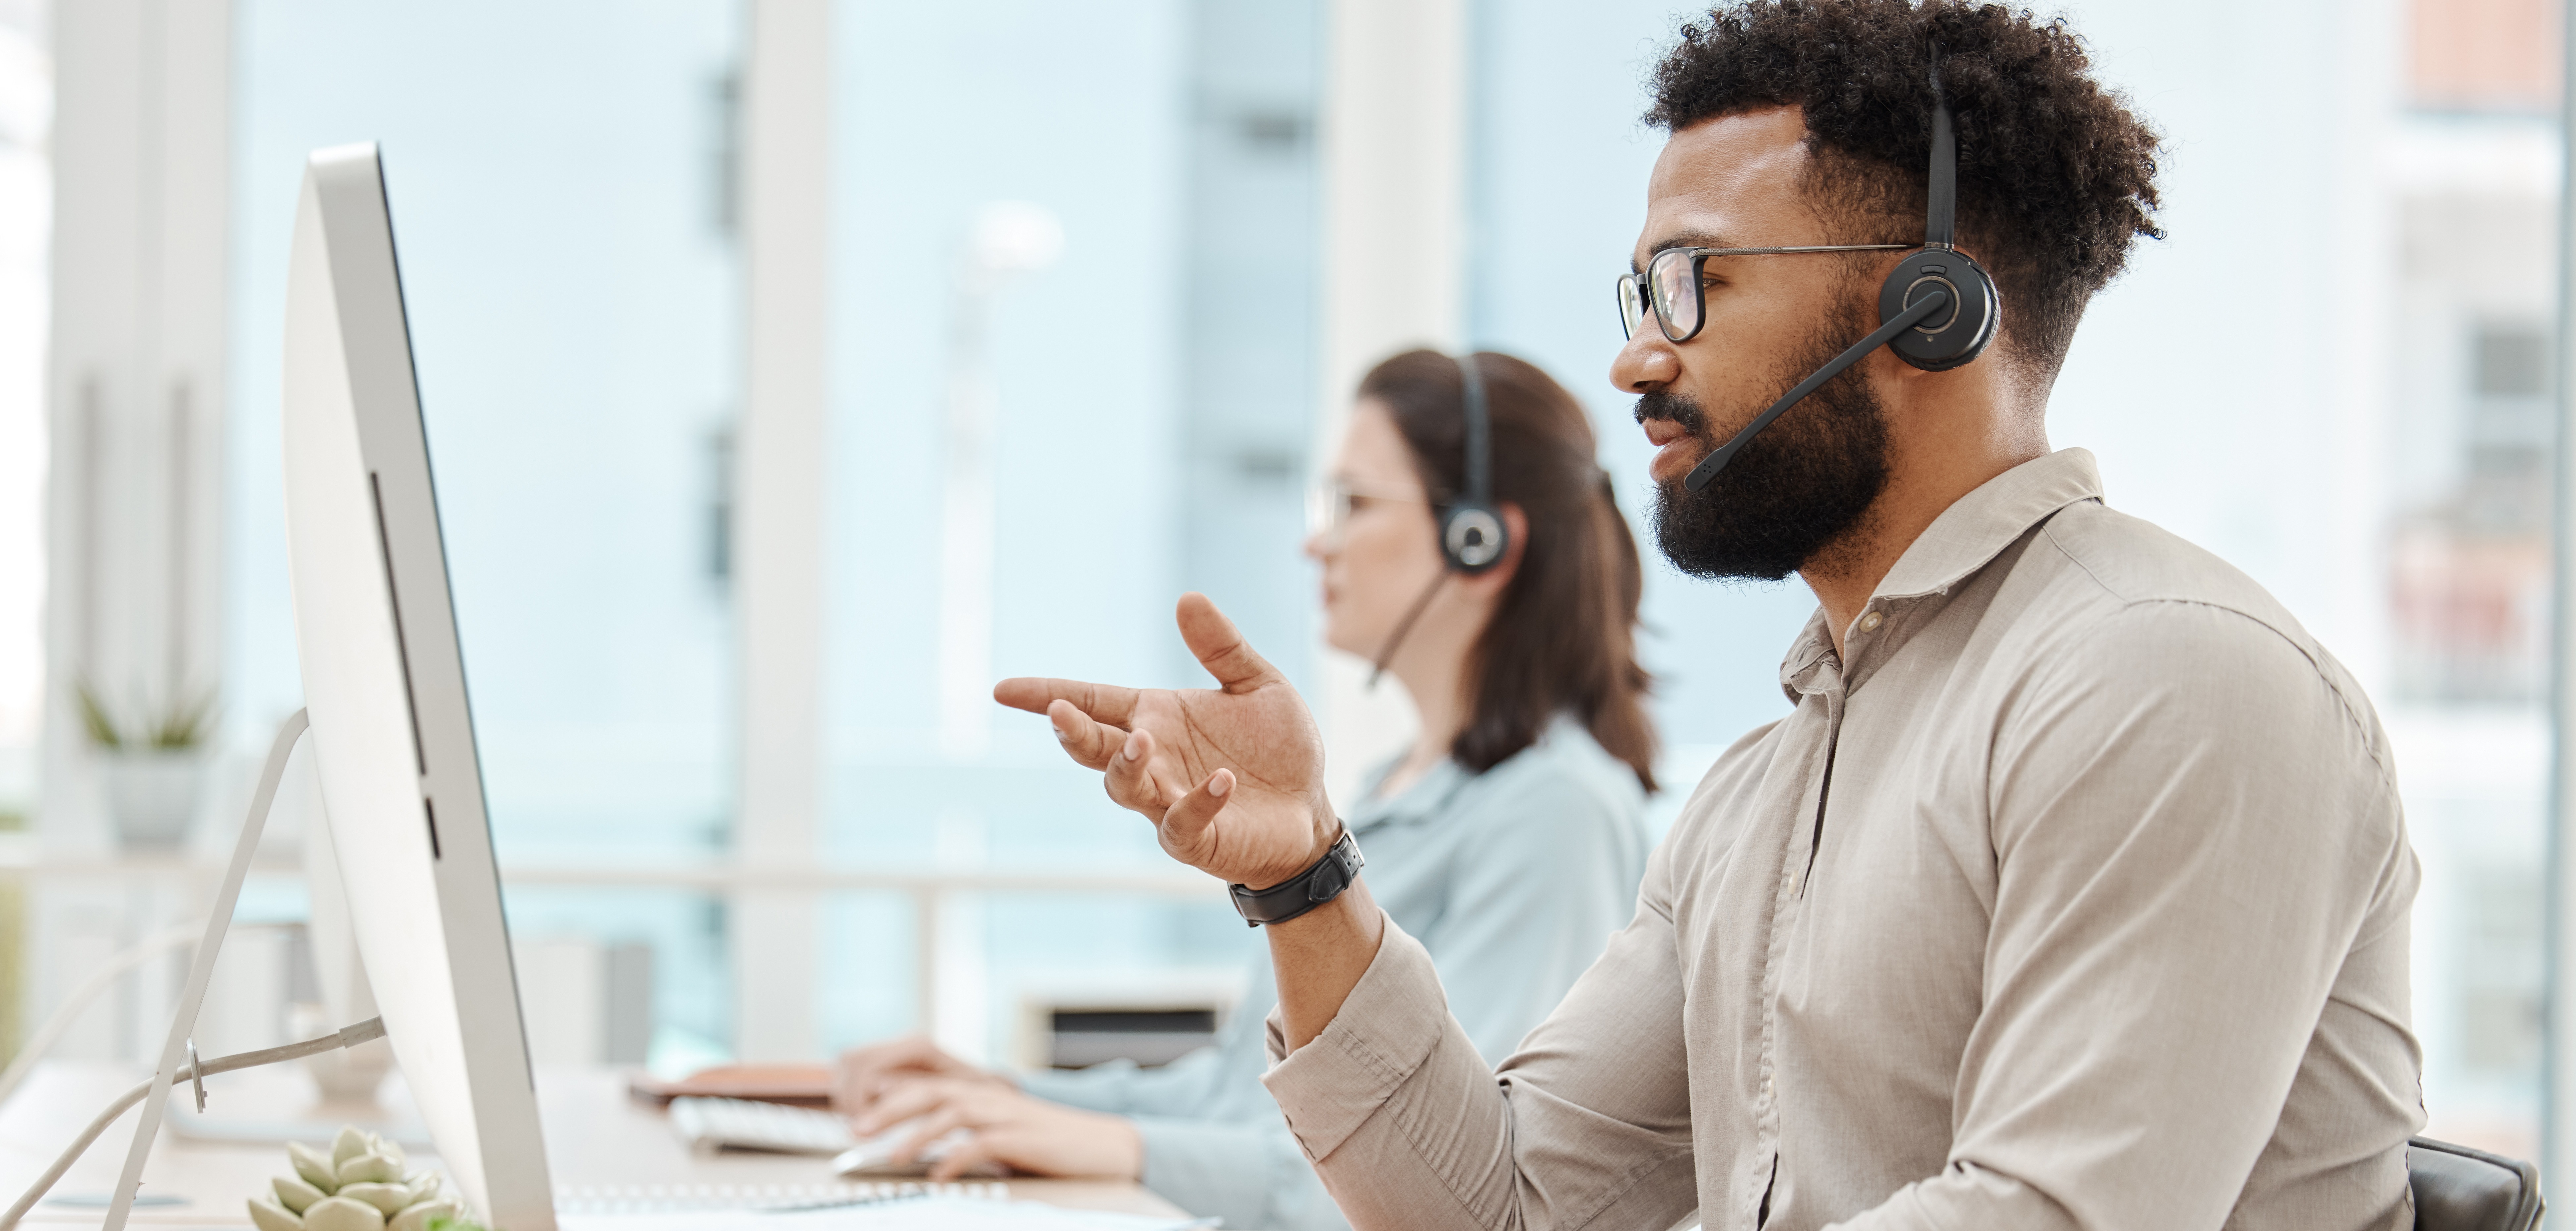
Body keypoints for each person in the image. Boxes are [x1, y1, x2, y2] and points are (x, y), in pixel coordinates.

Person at [997, 3, 2428, 1229]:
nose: (1633, 353)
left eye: (1689, 281)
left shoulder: (2167, 682)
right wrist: (1306, 875)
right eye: (1637, 290)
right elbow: (1499, 1206)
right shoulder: (1766, 787)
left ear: (1929, 309)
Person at [833, 349, 1662, 1229]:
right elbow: (1235, 1093)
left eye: (1354, 503)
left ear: (1479, 540)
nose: (1316, 539)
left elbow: (1444, 1173)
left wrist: (1119, 1148)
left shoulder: (1557, 813)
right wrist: (1001, 1091)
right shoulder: (1394, 787)